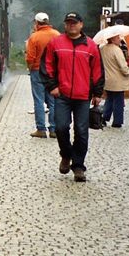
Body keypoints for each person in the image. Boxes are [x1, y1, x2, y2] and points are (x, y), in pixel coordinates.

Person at [41, 11, 104, 182]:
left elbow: (98, 70)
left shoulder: (91, 46)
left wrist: (97, 93)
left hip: (83, 96)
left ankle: (78, 166)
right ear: (64, 25)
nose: (71, 25)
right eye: (68, 22)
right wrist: (52, 86)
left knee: (82, 131)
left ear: (81, 25)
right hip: (62, 94)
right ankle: (66, 155)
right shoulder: (55, 43)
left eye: (74, 22)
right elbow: (47, 65)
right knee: (60, 127)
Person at [25, 12, 59, 137]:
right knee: (53, 101)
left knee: (38, 101)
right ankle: (54, 129)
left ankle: (41, 129)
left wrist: (30, 68)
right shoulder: (57, 35)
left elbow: (30, 58)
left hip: (37, 71)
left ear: (37, 23)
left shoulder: (34, 37)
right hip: (52, 72)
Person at [100, 33, 129, 128]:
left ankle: (104, 118)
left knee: (109, 99)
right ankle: (117, 121)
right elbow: (122, 65)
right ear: (112, 39)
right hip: (117, 79)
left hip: (107, 78)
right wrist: (127, 72)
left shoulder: (103, 48)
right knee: (118, 101)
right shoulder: (117, 50)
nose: (119, 39)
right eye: (117, 37)